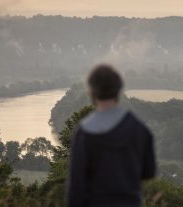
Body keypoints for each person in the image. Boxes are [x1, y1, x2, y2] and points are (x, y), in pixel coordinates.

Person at [67, 64, 156, 207]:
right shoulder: (139, 128)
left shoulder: (84, 132)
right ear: (119, 90)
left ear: (92, 92)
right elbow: (149, 172)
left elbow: (76, 186)